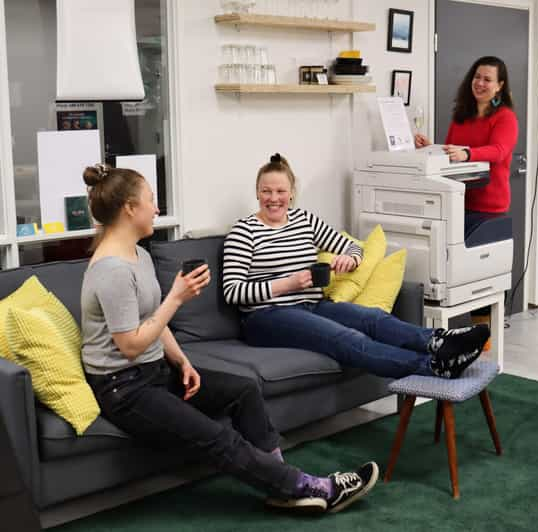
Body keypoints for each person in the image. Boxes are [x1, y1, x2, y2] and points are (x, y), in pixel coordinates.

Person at [80, 163, 377, 514]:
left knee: (244, 390)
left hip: (154, 370)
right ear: (130, 209)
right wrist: (177, 297)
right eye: (151, 200)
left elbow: (153, 322)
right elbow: (129, 345)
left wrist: (181, 361)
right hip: (125, 388)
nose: (157, 208)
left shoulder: (139, 254)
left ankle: (282, 484)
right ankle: (307, 486)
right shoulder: (112, 270)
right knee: (217, 437)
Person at [222, 154, 490, 381]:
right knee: (346, 337)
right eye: (266, 191)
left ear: (291, 193)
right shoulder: (244, 231)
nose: (273, 198)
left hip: (311, 305)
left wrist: (350, 259)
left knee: (372, 319)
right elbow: (232, 292)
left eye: (280, 191)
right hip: (265, 317)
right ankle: (434, 366)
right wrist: (287, 284)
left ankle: (440, 341)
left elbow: (355, 248)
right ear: (257, 192)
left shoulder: (304, 220)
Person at [415, 56, 519, 216]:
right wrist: (430, 148)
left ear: (499, 86)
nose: (480, 83)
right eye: (477, 77)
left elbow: (498, 151)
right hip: (455, 201)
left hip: (489, 208)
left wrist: (467, 153)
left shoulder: (505, 117)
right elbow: (451, 152)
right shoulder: (462, 115)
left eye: (487, 79)